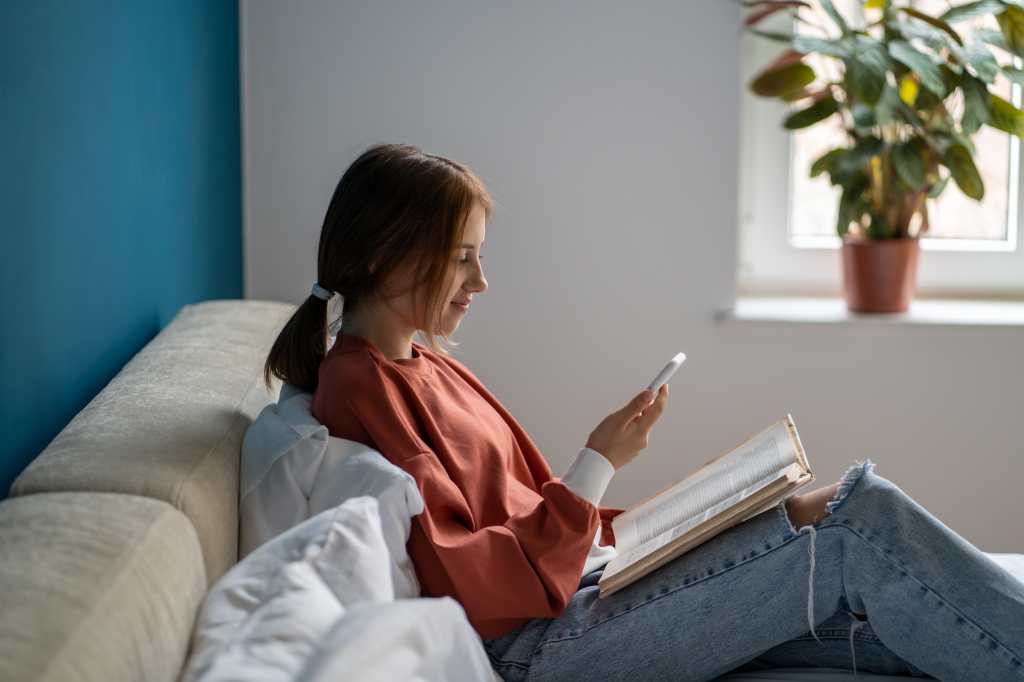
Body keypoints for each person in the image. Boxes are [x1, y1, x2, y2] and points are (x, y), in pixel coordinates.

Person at [263, 143, 1024, 682]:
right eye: (462, 256)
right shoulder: (359, 387)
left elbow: (540, 519)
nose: (481, 281)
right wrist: (598, 462)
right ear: (383, 255)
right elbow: (469, 578)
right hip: (541, 647)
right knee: (862, 523)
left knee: (851, 563)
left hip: (579, 593)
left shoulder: (425, 364)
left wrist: (696, 515)